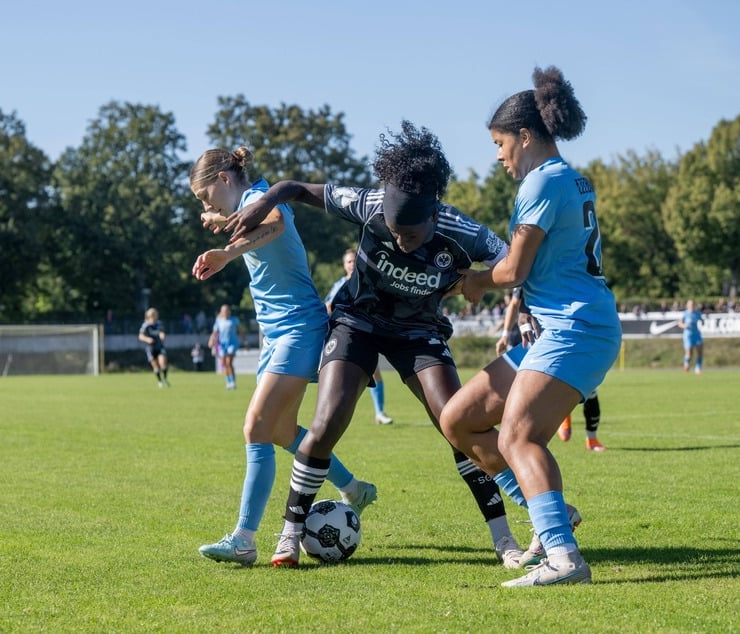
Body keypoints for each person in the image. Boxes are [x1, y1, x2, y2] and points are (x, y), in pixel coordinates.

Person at [224, 120, 530, 569]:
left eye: (412, 234)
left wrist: (485, 282)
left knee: (455, 424)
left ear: (433, 215)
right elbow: (293, 188)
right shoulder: (368, 204)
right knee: (326, 420)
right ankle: (288, 537)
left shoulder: (464, 232)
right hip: (357, 322)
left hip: (418, 333)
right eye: (394, 232)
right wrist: (263, 202)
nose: (402, 242)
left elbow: (516, 267)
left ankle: (505, 540)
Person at [440, 66, 622, 587]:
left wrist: (471, 281)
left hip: (575, 328)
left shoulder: (542, 180)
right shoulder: (567, 177)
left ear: (525, 137)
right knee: (459, 419)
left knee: (519, 436)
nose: (498, 156)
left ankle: (563, 559)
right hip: (556, 330)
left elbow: (515, 269)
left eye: (500, 144)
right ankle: (554, 516)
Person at [189, 145, 376, 566]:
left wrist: (227, 253)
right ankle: (353, 488)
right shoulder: (246, 205)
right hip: (277, 334)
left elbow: (273, 223)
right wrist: (221, 222)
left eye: (205, 197)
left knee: (256, 426)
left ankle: (244, 538)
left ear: (222, 180)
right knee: (279, 429)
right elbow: (256, 224)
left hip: (299, 329)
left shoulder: (260, 199)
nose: (206, 205)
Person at [497, 288, 607, 452]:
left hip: (573, 337)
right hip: (540, 341)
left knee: (591, 391)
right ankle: (527, 434)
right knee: (527, 390)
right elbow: (514, 303)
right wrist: (505, 333)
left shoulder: (572, 276)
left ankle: (591, 439)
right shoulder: (529, 270)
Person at [324, 248, 393, 425]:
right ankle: (334, 413)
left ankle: (379, 412)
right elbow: (328, 306)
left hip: (366, 333)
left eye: (354, 260)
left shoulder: (368, 281)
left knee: (375, 372)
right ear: (344, 265)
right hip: (344, 335)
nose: (352, 264)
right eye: (348, 261)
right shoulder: (339, 285)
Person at [209, 304, 241, 390]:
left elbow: (241, 331)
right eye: (224, 311)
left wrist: (245, 342)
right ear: (222, 312)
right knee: (224, 364)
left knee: (229, 362)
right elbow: (215, 332)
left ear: (229, 311)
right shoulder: (219, 321)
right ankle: (228, 382)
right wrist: (211, 340)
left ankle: (233, 382)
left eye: (227, 310)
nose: (226, 312)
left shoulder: (234, 320)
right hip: (222, 345)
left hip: (232, 344)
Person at [138, 307, 169, 387]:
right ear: (149, 316)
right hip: (150, 348)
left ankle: (165, 379)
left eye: (155, 314)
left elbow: (162, 332)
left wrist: (162, 336)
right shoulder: (146, 325)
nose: (155, 316)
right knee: (155, 366)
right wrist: (147, 339)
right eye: (153, 314)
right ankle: (160, 381)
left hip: (159, 346)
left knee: (163, 362)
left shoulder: (159, 323)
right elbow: (140, 336)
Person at [678, 299, 705, 374]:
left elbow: (701, 320)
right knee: (689, 354)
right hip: (688, 335)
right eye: (690, 304)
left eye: (692, 304)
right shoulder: (685, 314)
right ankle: (686, 364)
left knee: (700, 351)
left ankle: (698, 368)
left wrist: (702, 322)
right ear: (687, 306)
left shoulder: (697, 313)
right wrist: (684, 325)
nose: (691, 306)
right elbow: (679, 323)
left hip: (696, 334)